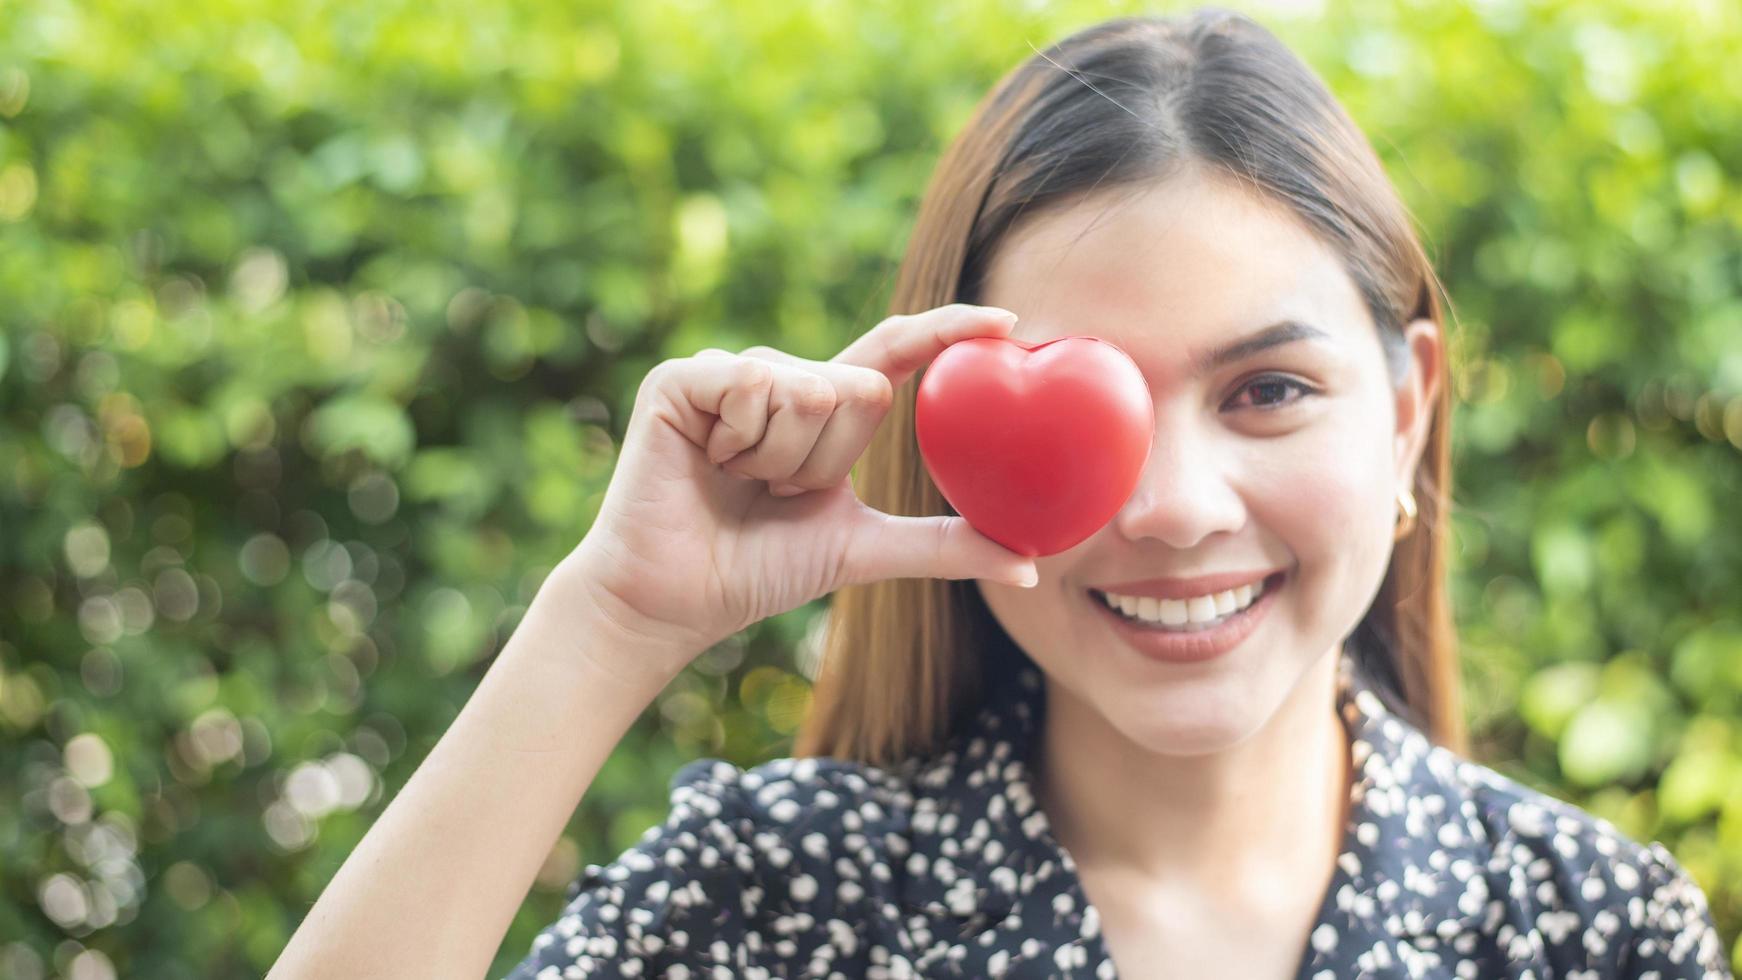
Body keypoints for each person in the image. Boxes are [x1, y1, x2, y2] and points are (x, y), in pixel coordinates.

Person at [269, 7, 1732, 979]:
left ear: (1406, 408)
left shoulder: (1593, 935)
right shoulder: (777, 903)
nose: (1168, 504)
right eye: (1086, 408)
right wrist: (611, 622)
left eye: (1266, 391)